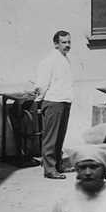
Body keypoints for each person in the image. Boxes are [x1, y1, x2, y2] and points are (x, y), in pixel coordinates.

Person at [34, 30, 74, 179]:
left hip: (64, 101)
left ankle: (57, 165)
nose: (67, 45)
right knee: (51, 138)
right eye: (64, 42)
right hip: (53, 102)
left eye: (69, 42)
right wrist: (40, 102)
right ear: (56, 44)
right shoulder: (49, 61)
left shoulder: (65, 59)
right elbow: (41, 84)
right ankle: (49, 169)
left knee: (59, 137)